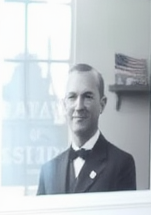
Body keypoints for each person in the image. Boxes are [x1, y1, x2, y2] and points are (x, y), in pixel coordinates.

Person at [36, 64, 137, 195]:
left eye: (87, 96)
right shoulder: (48, 171)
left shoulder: (121, 164)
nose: (79, 106)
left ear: (102, 104)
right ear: (64, 105)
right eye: (72, 97)